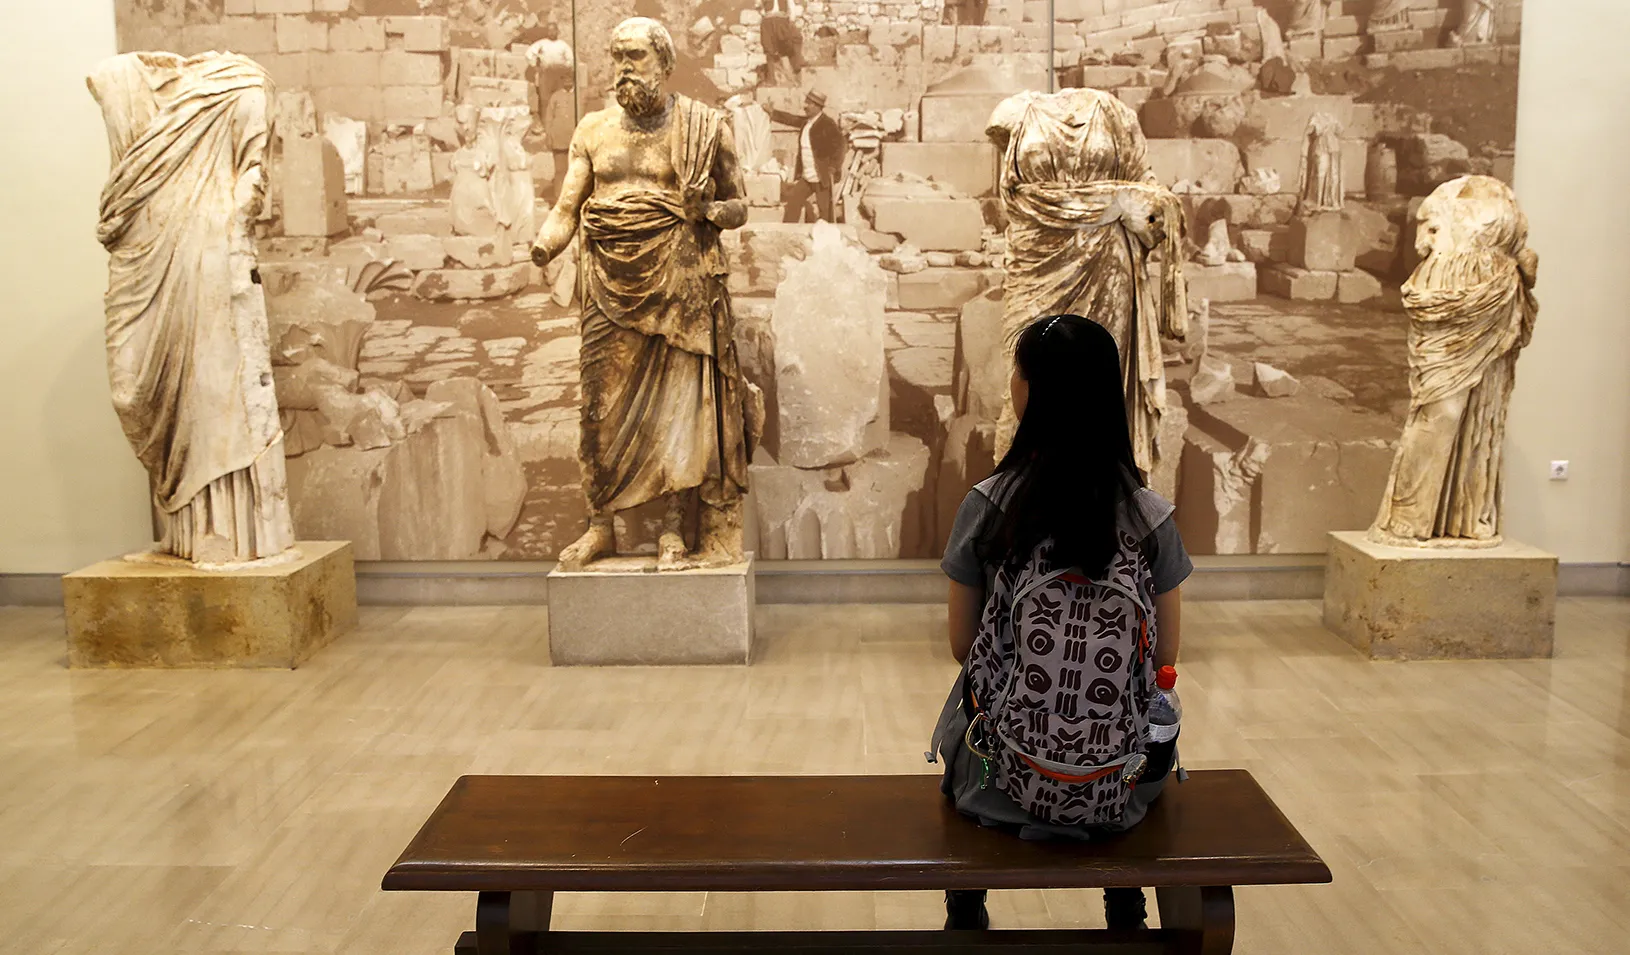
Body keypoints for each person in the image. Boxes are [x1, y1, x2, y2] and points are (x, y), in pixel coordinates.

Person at [935, 316, 1192, 931]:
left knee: (964, 708)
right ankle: (1124, 902)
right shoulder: (1150, 516)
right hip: (1118, 786)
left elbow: (962, 646)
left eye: (1017, 374)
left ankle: (966, 908)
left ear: (1031, 393)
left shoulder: (990, 506)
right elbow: (1165, 660)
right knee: (1158, 715)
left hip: (999, 782)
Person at [529, 17, 755, 571]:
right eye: (616, 58)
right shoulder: (592, 131)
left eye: (634, 57)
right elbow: (565, 209)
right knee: (597, 408)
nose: (623, 69)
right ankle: (600, 525)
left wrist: (707, 210)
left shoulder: (705, 128)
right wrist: (544, 247)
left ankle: (674, 531)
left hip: (679, 289)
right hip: (608, 287)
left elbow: (739, 206)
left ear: (665, 63)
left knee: (677, 414)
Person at [88, 51, 295, 565]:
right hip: (144, 251)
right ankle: (184, 526)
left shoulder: (240, 81)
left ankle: (229, 532)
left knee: (215, 389)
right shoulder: (117, 78)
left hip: (208, 253)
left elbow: (253, 169)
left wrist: (235, 220)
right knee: (131, 386)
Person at [985, 89, 1188, 478]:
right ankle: (1021, 502)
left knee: (1098, 390)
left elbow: (1149, 191)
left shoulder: (1117, 116)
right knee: (1026, 383)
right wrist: (1112, 200)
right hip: (1037, 265)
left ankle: (1103, 501)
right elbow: (1014, 199)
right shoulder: (1013, 112)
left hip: (1107, 266)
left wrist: (1136, 204)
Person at [770, 90, 843, 223]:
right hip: (807, 177)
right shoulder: (806, 122)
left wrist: (833, 166)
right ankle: (789, 233)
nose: (805, 106)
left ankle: (828, 239)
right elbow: (791, 119)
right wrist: (772, 113)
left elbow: (840, 147)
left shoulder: (827, 124)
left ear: (816, 106)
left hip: (822, 177)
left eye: (808, 103)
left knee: (825, 212)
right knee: (793, 202)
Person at [525, 24, 574, 138]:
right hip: (545, 74)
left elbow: (570, 60)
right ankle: (545, 125)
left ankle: (558, 125)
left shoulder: (563, 45)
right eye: (549, 30)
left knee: (558, 98)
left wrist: (563, 68)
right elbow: (528, 54)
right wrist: (535, 66)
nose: (551, 33)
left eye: (554, 30)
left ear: (558, 31)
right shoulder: (541, 44)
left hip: (559, 75)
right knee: (544, 99)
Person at [759, 0, 804, 84]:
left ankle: (797, 67)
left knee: (793, 41)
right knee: (769, 50)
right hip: (768, 21)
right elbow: (759, 5)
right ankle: (771, 79)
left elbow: (791, 5)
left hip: (782, 20)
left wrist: (791, 19)